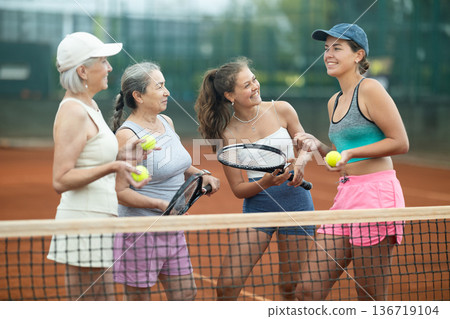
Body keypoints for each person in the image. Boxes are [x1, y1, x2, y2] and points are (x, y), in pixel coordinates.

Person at [294, 23, 409, 301]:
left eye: (337, 48)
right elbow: (340, 156)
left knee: (368, 295)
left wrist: (351, 154)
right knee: (308, 290)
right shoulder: (334, 101)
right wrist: (317, 145)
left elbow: (400, 142)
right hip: (346, 194)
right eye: (326, 48)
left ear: (358, 55)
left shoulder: (370, 89)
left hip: (376, 196)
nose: (328, 54)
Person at [195, 57, 315, 300]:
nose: (255, 86)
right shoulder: (226, 133)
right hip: (258, 206)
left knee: (290, 288)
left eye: (254, 80)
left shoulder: (282, 109)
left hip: (297, 203)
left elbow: (306, 143)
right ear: (230, 95)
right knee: (226, 286)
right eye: (247, 85)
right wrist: (267, 182)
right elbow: (239, 189)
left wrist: (300, 162)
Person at [47, 32, 150, 301]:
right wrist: (113, 166)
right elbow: (61, 179)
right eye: (103, 61)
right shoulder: (73, 111)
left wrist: (125, 153)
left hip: (99, 219)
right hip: (83, 221)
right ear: (83, 70)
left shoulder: (89, 105)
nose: (109, 68)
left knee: (103, 303)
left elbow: (93, 157)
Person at [111, 62, 220, 301]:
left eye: (165, 85)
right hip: (140, 233)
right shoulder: (127, 136)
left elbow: (177, 164)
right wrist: (161, 206)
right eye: (159, 86)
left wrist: (202, 174)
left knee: (186, 295)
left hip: (171, 228)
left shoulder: (166, 122)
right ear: (138, 95)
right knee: (141, 305)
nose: (166, 91)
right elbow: (120, 192)